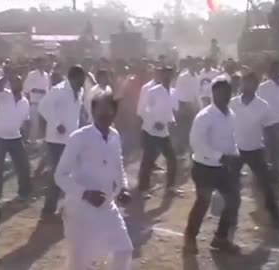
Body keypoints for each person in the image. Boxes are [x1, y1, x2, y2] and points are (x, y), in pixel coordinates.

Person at [55, 92, 133, 270]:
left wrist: (124, 188)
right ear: (93, 110)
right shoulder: (79, 137)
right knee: (79, 263)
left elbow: (118, 165)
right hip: (79, 210)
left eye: (109, 109)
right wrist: (85, 194)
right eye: (100, 109)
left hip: (107, 205)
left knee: (124, 250)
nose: (105, 114)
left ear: (115, 112)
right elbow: (60, 175)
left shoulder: (114, 135)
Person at [184, 76, 241, 255]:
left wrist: (235, 155)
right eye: (223, 92)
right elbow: (196, 143)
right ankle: (190, 238)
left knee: (233, 200)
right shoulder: (205, 116)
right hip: (204, 167)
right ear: (214, 93)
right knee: (203, 202)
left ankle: (220, 238)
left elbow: (231, 140)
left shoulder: (231, 115)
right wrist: (219, 156)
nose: (226, 96)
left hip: (223, 168)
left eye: (229, 92)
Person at [230, 72, 279, 230]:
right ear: (242, 84)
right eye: (246, 83)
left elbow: (270, 128)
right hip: (235, 150)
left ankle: (276, 220)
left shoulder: (263, 105)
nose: (249, 86)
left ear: (256, 86)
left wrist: (269, 151)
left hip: (255, 149)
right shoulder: (232, 103)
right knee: (231, 187)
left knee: (266, 186)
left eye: (252, 83)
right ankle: (229, 221)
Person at [38, 65, 86, 219]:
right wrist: (56, 123)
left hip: (72, 139)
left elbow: (77, 113)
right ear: (73, 77)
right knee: (57, 174)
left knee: (73, 173)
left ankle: (70, 206)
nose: (83, 82)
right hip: (56, 140)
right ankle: (48, 210)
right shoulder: (58, 90)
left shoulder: (80, 91)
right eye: (81, 79)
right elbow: (43, 107)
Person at [138, 66, 182, 199]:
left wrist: (172, 121)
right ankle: (143, 189)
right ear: (161, 76)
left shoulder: (174, 92)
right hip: (150, 131)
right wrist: (153, 123)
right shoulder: (153, 91)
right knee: (148, 160)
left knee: (172, 158)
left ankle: (170, 187)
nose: (167, 78)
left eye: (170, 75)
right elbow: (145, 110)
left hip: (164, 132)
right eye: (165, 75)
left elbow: (170, 111)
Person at [0, 75, 31, 201]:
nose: (15, 85)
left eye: (17, 82)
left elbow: (25, 121)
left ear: (21, 85)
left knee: (23, 165)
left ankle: (23, 193)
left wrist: (26, 138)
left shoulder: (25, 102)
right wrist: (6, 75)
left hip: (15, 137)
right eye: (13, 82)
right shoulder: (3, 95)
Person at [257, 60, 279, 179]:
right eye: (276, 70)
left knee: (278, 149)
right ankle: (264, 173)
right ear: (271, 72)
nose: (278, 72)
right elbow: (259, 104)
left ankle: (276, 171)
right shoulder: (263, 87)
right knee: (267, 149)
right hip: (267, 123)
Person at [173, 57, 200, 156]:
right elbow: (178, 91)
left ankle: (190, 150)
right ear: (189, 65)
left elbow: (197, 94)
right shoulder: (183, 76)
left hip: (194, 107)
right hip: (184, 106)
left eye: (196, 64)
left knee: (192, 129)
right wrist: (180, 107)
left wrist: (199, 107)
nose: (194, 66)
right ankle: (180, 150)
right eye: (192, 64)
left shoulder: (197, 77)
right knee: (184, 130)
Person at [23, 57, 51, 144]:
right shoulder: (32, 74)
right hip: (34, 102)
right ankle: (32, 142)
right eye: (40, 63)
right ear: (37, 64)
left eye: (44, 63)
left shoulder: (47, 75)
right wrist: (38, 90)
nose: (42, 65)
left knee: (49, 122)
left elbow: (48, 89)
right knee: (34, 124)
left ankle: (47, 141)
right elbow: (26, 88)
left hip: (45, 103)